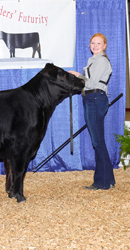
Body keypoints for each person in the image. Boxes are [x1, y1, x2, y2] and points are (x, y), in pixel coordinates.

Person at [69, 33, 115, 190]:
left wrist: (78, 76)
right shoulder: (94, 61)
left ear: (104, 46)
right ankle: (108, 179)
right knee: (99, 142)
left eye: (98, 43)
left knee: (98, 142)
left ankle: (102, 182)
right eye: (92, 43)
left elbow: (92, 82)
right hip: (92, 99)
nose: (95, 46)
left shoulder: (101, 61)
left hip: (95, 98)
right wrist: (79, 76)